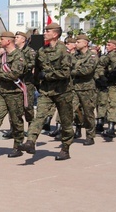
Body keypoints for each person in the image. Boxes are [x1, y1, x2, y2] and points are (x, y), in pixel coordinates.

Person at [18, 23, 74, 161]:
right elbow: (37, 70)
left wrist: (47, 75)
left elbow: (66, 73)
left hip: (63, 92)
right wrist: (37, 83)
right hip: (46, 91)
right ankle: (30, 142)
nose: (45, 33)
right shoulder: (42, 51)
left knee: (66, 122)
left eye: (48, 31)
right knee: (40, 116)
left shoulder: (63, 51)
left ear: (55, 34)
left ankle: (65, 148)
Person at [71, 34, 98, 145]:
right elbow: (67, 65)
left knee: (88, 113)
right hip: (74, 88)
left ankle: (90, 136)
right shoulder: (74, 56)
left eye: (78, 42)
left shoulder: (92, 56)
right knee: (69, 110)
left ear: (85, 43)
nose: (76, 44)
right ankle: (69, 133)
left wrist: (72, 71)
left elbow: (87, 71)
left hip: (87, 89)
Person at [100, 38, 116, 138]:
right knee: (112, 104)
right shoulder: (113, 54)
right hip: (113, 83)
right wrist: (102, 76)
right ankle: (111, 127)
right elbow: (101, 65)